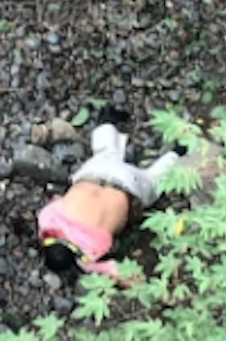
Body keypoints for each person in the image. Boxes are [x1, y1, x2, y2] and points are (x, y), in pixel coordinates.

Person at [37, 111, 180, 282]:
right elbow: (57, 200)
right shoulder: (47, 221)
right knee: (105, 153)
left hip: (129, 187)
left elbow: (127, 276)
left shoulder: (89, 255)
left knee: (153, 182)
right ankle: (106, 123)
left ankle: (178, 153)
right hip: (93, 173)